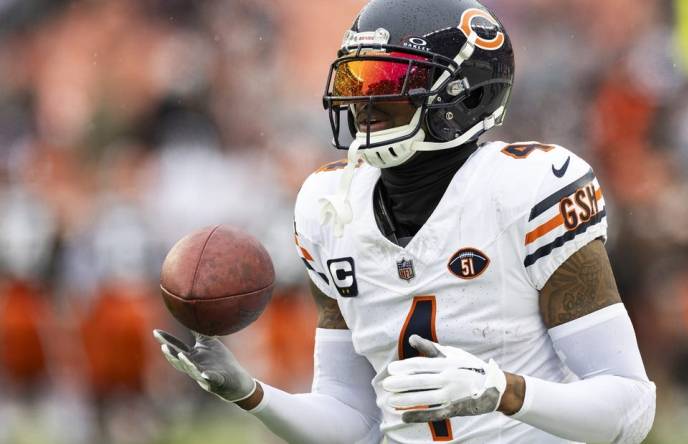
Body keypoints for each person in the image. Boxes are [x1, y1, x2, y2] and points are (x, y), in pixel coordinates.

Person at [154, 0, 657, 442]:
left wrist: (502, 390)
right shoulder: (330, 207)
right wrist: (250, 393)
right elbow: (351, 420)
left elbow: (631, 409)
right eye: (355, 80)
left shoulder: (525, 191)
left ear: (465, 96)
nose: (363, 104)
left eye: (388, 83)